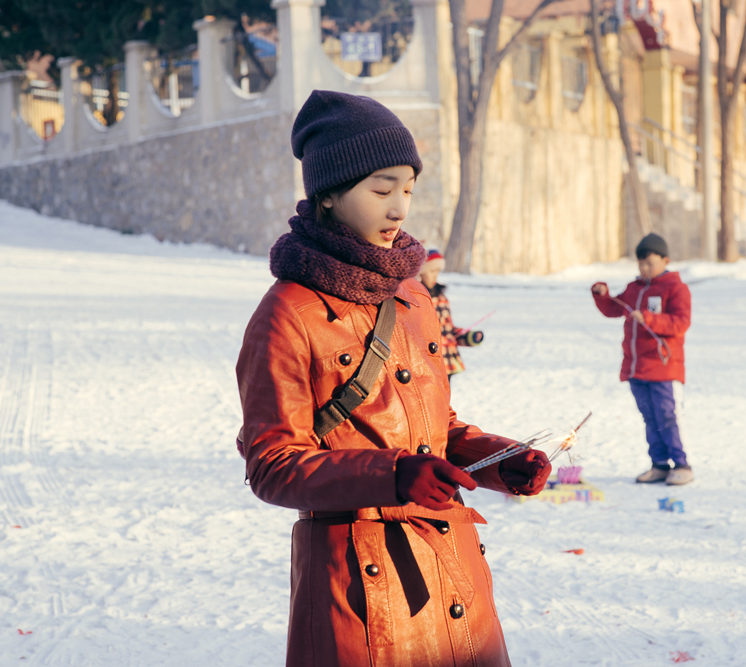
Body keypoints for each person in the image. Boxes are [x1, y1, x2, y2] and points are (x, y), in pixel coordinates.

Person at [235, 90, 551, 667]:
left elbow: (435, 427)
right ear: (329, 194)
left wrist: (499, 460)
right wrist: (394, 476)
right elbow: (271, 463)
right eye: (381, 189)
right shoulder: (287, 312)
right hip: (359, 590)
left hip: (454, 572)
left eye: (407, 189)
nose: (400, 208)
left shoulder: (410, 293)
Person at [590, 233, 693, 486]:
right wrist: (602, 295)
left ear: (665, 260)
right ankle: (658, 465)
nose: (644, 268)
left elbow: (681, 323)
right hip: (636, 368)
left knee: (666, 417)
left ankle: (681, 465)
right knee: (649, 419)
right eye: (640, 264)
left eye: (650, 263)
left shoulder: (675, 288)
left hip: (662, 367)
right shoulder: (634, 288)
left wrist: (650, 318)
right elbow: (614, 309)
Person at [418, 248, 484, 382]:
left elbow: (448, 331)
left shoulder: (441, 297)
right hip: (428, 362)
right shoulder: (417, 297)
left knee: (445, 402)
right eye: (431, 271)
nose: (435, 276)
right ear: (421, 273)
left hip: (447, 362)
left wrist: (468, 337)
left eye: (437, 272)